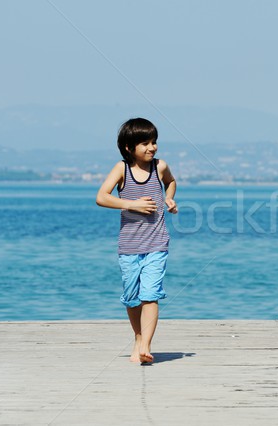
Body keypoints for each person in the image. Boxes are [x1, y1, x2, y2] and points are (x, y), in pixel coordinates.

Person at [96, 117, 178, 364]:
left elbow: (170, 183)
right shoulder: (121, 169)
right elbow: (101, 197)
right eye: (145, 143)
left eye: (154, 142)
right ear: (129, 148)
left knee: (150, 295)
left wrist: (169, 199)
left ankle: (145, 346)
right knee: (132, 298)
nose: (151, 147)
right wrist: (130, 204)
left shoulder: (160, 166)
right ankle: (138, 337)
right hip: (129, 247)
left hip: (157, 243)